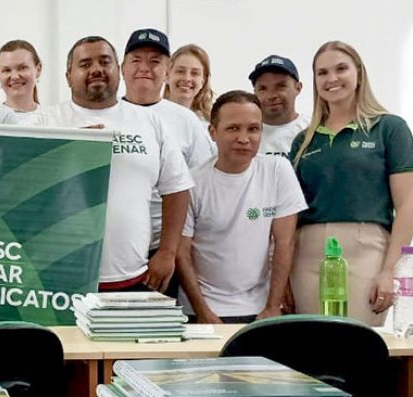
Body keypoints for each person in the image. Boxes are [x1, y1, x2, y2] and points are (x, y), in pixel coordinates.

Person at [289, 41, 413, 326]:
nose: (331, 78)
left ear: (359, 74)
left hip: (366, 250)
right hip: (308, 253)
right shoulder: (305, 141)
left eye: (341, 69)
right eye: (322, 73)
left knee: (357, 344)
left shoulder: (389, 128)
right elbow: (290, 213)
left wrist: (389, 271)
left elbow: (408, 205)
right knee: (311, 343)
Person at [49, 36, 193, 293]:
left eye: (105, 62)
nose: (96, 69)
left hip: (135, 275)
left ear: (118, 70)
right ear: (68, 76)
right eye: (85, 64)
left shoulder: (150, 122)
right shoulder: (44, 123)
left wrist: (168, 252)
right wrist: (69, 150)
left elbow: (177, 188)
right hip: (58, 276)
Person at [176, 91, 306, 324]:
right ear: (213, 132)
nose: (244, 138)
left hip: (261, 310)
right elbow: (182, 253)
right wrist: (202, 311)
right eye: (233, 128)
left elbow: (284, 243)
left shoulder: (278, 170)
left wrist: (272, 306)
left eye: (253, 129)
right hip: (202, 310)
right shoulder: (191, 182)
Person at [119, 28, 214, 297]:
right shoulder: (109, 115)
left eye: (155, 61)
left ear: (167, 70)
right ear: (122, 67)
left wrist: (169, 252)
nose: (145, 68)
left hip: (162, 249)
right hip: (114, 250)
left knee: (157, 334)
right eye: (136, 60)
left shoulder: (186, 121)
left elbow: (200, 189)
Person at [249, 55, 310, 156]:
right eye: (263, 88)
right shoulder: (243, 134)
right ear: (255, 92)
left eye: (281, 86)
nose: (271, 95)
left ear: (298, 88)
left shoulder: (313, 130)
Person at [0, 39, 51, 126]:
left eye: (22, 68)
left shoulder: (53, 121)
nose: (14, 76)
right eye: (7, 70)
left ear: (38, 69)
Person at [164, 44, 215, 124]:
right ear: (167, 75)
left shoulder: (208, 126)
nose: (187, 78)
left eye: (194, 73)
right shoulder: (150, 115)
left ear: (203, 81)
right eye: (180, 71)